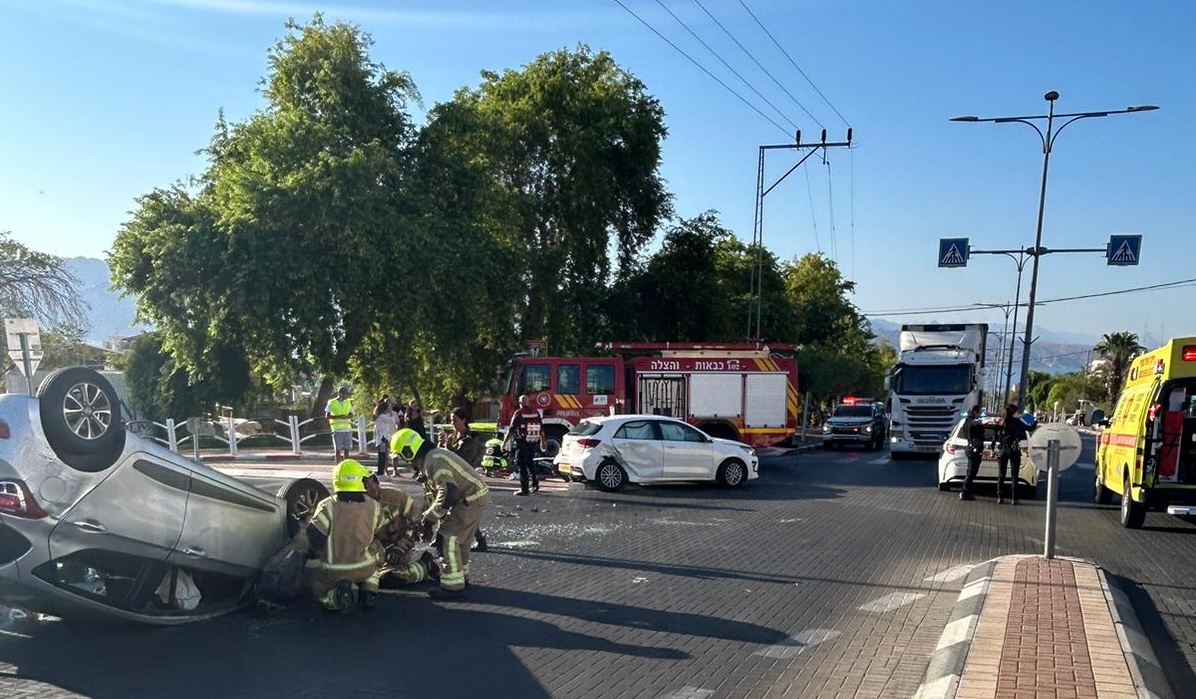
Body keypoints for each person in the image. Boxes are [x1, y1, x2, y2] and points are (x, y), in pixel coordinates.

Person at [391, 427, 490, 600]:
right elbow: (437, 496)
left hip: (469, 499)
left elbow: (448, 492)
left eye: (402, 456)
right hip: (475, 497)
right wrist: (429, 517)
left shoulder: (433, 461)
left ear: (408, 451)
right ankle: (461, 577)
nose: (406, 462)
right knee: (462, 540)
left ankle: (453, 587)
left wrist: (429, 518)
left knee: (446, 538)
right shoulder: (434, 456)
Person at [306, 459, 386, 612]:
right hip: (365, 566)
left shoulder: (327, 505)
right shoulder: (374, 506)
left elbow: (313, 539)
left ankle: (336, 597)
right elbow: (379, 532)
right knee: (376, 555)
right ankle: (369, 591)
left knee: (319, 593)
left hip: (334, 570)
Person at [443, 407, 488, 552]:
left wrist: (446, 446)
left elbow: (459, 459)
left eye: (455, 420)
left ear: (464, 420)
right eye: (451, 421)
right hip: (453, 478)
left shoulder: (470, 440)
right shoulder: (453, 437)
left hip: (465, 481)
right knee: (454, 509)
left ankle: (479, 539)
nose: (452, 424)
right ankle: (446, 536)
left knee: (463, 511)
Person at [505, 394, 546, 496]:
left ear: (520, 403)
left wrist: (504, 442)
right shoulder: (535, 413)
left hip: (522, 442)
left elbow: (511, 430)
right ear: (528, 402)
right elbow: (541, 429)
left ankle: (524, 489)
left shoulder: (519, 413)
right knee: (530, 463)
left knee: (522, 464)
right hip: (533, 442)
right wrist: (542, 442)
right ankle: (535, 485)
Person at [997, 403, 1029, 505]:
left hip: (1003, 451)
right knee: (1014, 476)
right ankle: (1014, 499)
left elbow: (996, 435)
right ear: (1014, 412)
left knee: (1001, 475)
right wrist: (1035, 420)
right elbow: (1030, 427)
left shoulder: (1002, 422)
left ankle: (1000, 497)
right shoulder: (1017, 422)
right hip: (1014, 450)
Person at [959, 404, 986, 501]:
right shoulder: (972, 422)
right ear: (975, 412)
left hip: (969, 448)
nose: (979, 415)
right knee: (971, 472)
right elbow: (977, 425)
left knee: (970, 471)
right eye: (979, 413)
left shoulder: (966, 421)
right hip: (974, 450)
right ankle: (964, 492)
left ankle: (965, 491)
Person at [325, 385, 355, 463]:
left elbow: (352, 414)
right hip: (337, 429)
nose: (347, 396)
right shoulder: (332, 402)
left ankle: (346, 466)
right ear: (340, 394)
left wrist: (347, 417)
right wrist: (338, 417)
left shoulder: (348, 402)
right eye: (345, 394)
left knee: (347, 450)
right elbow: (327, 416)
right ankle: (338, 465)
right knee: (338, 450)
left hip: (347, 428)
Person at [372, 397, 398, 477]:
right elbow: (392, 420)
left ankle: (381, 472)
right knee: (382, 456)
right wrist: (390, 412)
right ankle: (381, 472)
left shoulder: (381, 416)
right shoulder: (383, 417)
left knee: (382, 455)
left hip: (383, 438)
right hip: (382, 439)